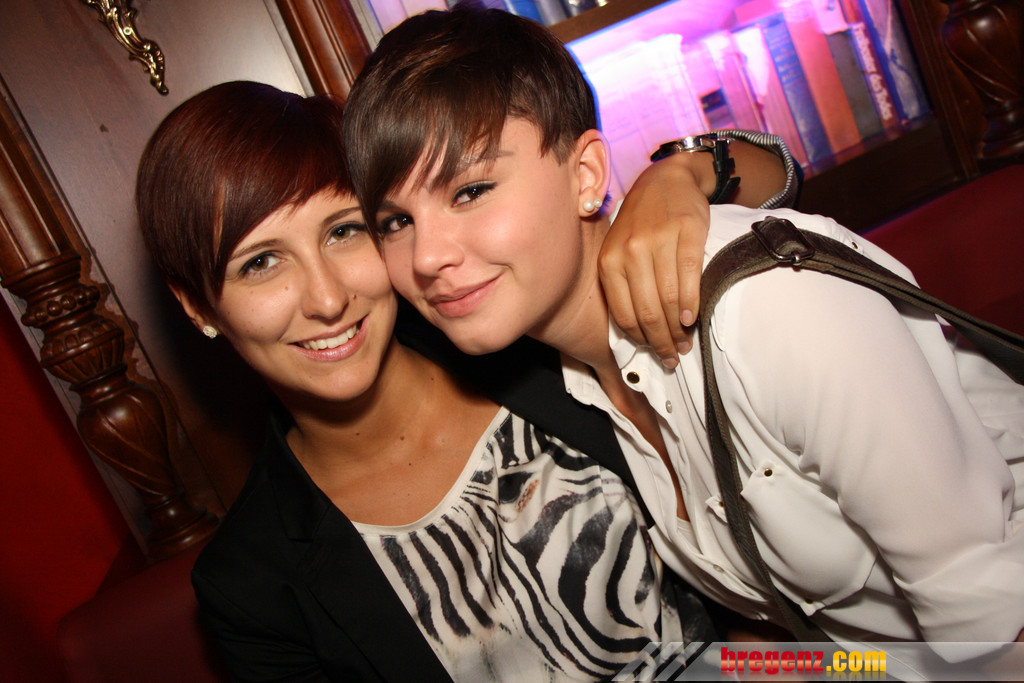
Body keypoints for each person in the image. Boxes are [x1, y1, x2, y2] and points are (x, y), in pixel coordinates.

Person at [342, 2, 1024, 673]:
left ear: (586, 176)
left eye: (469, 191)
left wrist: (686, 166)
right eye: (396, 221)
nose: (426, 256)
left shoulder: (763, 312)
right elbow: (815, 635)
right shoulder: (567, 380)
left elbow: (994, 633)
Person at [135, 80, 793, 680]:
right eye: (260, 263)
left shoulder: (519, 336)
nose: (327, 298)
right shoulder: (252, 585)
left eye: (343, 231)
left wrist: (680, 175)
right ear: (197, 306)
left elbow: (780, 179)